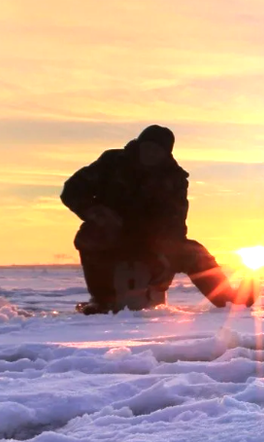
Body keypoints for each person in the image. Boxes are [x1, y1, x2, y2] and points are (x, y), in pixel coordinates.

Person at [60, 125, 245, 314]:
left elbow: (176, 222)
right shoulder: (112, 163)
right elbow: (72, 190)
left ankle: (228, 300)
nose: (150, 153)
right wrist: (96, 212)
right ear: (138, 146)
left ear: (166, 154)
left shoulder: (174, 178)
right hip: (113, 233)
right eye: (146, 147)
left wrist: (164, 254)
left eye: (157, 150)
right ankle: (101, 300)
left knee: (194, 252)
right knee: (90, 236)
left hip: (153, 240)